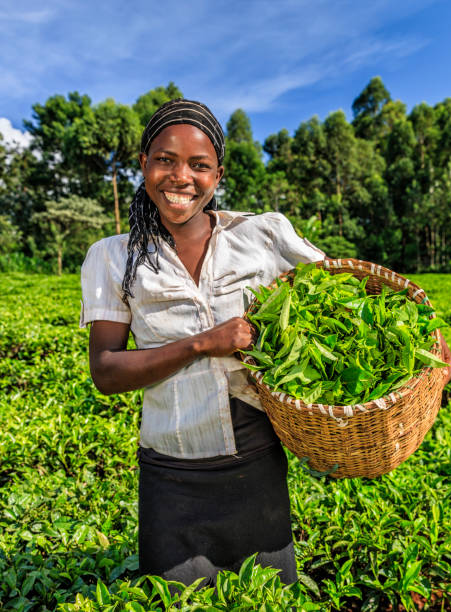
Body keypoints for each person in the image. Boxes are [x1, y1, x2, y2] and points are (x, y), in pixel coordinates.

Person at [80, 99, 325, 586]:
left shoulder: (263, 235)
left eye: (199, 165)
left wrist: (427, 345)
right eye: (165, 159)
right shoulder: (112, 257)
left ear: (218, 175)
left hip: (256, 465)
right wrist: (203, 343)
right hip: (172, 476)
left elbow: (341, 303)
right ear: (144, 165)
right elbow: (106, 372)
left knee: (267, 595)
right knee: (175, 596)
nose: (180, 177)